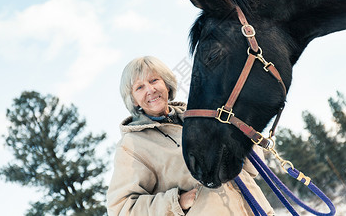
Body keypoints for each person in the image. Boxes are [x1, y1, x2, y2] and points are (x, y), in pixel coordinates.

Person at [106, 56, 274, 216]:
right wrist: (176, 202)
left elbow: (252, 170)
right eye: (139, 87)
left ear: (167, 84)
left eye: (154, 80)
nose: (150, 89)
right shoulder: (132, 145)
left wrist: (241, 136)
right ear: (134, 100)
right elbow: (122, 209)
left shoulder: (207, 116)